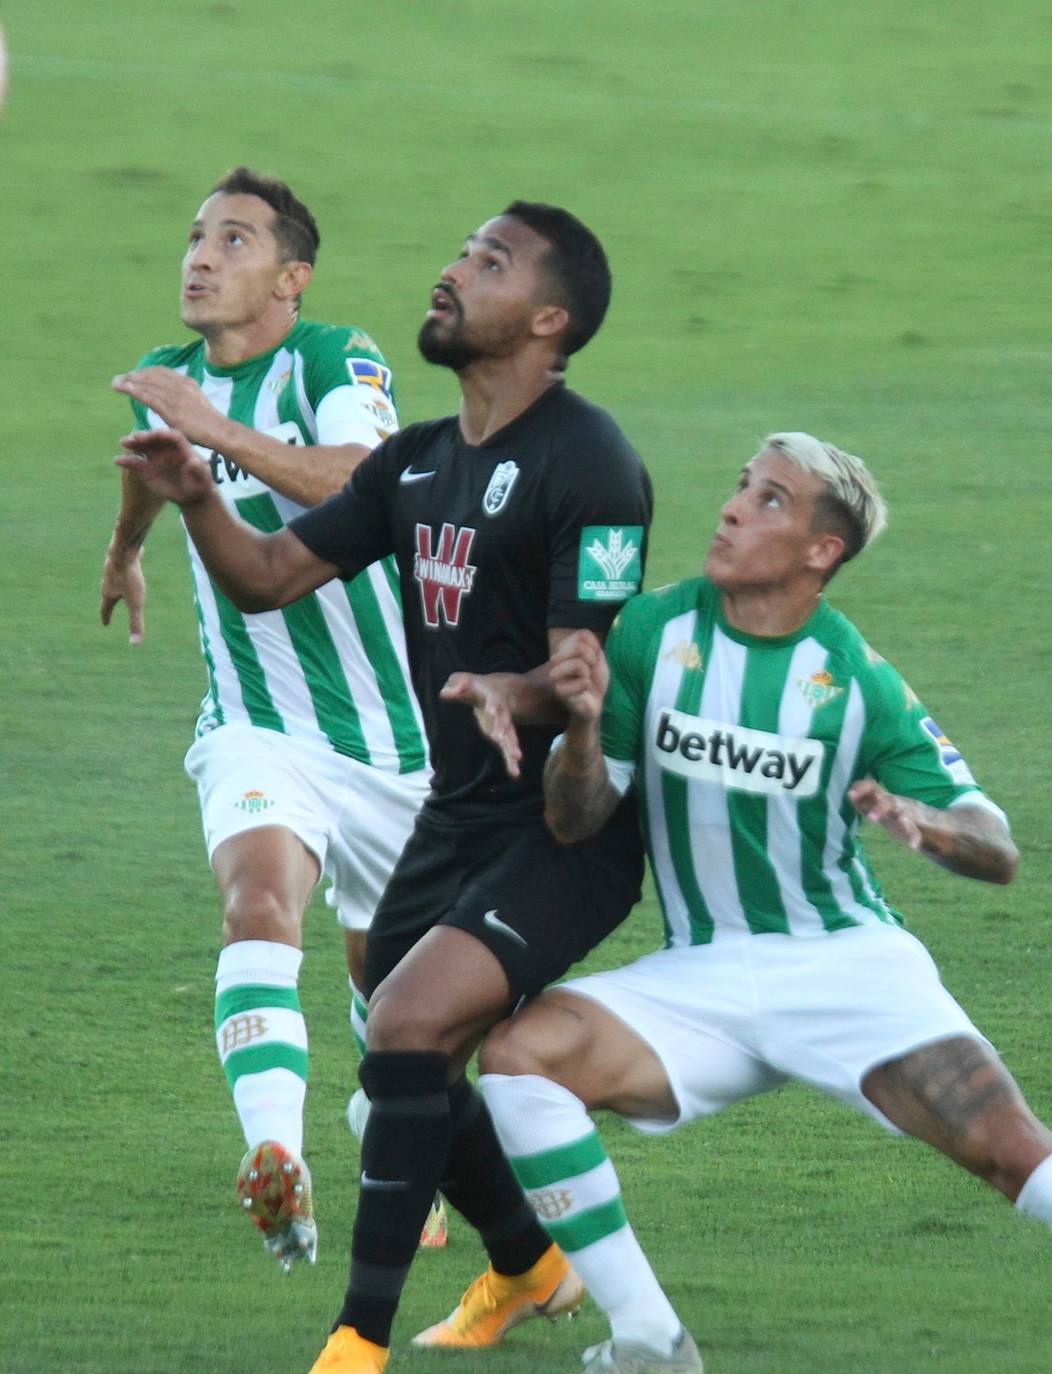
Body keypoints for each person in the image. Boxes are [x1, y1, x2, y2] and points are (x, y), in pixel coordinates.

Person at [472, 432, 1052, 1374]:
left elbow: (995, 844)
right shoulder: (652, 633)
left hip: (842, 965)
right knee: (521, 1058)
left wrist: (933, 830)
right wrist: (577, 723)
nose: (731, 509)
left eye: (769, 499)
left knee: (1014, 1154)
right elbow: (576, 819)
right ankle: (651, 1341)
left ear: (823, 551)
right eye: (740, 487)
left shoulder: (856, 682)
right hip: (701, 976)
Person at [114, 200, 654, 1374]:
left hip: (566, 829)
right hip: (455, 815)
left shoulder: (592, 463)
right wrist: (197, 494)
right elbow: (266, 579)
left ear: (548, 323)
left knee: (409, 1028)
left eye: (490, 261)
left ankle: (356, 1341)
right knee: (405, 1057)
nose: (453, 268)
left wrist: (525, 692)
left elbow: (588, 678)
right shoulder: (421, 462)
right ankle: (528, 1266)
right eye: (459, 247)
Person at [99, 167, 441, 1270]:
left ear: (292, 279)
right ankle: (278, 1165)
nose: (201, 256)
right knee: (256, 906)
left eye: (235, 241)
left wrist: (208, 430)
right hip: (258, 725)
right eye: (197, 236)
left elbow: (361, 475)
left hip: (395, 740)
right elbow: (160, 467)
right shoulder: (176, 381)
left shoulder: (336, 358)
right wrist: (127, 543)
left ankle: (380, 1125)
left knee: (392, 997)